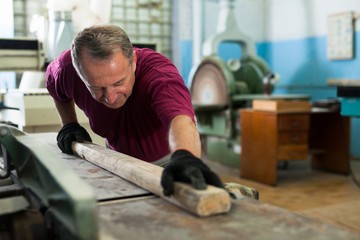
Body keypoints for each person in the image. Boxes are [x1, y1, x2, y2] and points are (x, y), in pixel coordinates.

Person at [46, 24, 223, 196]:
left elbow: (180, 119)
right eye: (97, 87)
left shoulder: (158, 74)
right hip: (116, 159)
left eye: (118, 83)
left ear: (134, 62)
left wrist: (186, 156)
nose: (111, 97)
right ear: (78, 73)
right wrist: (69, 123)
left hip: (170, 161)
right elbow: (55, 87)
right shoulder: (66, 68)